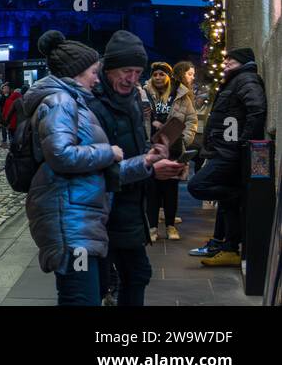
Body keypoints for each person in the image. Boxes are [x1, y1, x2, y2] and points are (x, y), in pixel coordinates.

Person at [24, 31, 163, 306]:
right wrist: (107, 151)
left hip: (85, 219)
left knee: (88, 294)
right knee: (80, 298)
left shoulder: (75, 102)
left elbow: (98, 173)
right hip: (71, 223)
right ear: (76, 73)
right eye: (93, 72)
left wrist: (145, 162)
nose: (96, 79)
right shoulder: (61, 102)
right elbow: (60, 154)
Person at [87, 30, 159, 306]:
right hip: (104, 211)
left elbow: (135, 149)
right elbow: (96, 168)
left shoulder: (131, 100)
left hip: (128, 206)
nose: (132, 78)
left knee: (136, 275)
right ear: (110, 68)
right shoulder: (94, 106)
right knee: (104, 283)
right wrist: (145, 165)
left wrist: (152, 162)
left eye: (138, 71)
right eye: (126, 71)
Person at [186, 48, 267, 266]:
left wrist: (244, 142)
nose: (227, 62)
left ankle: (236, 196)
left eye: (231, 59)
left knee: (197, 186)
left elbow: (257, 110)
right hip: (224, 150)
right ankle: (229, 247)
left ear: (243, 62)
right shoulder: (236, 80)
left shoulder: (246, 80)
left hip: (230, 153)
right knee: (226, 203)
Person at [144, 63, 191, 241]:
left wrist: (184, 139)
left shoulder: (180, 94)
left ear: (168, 76)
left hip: (173, 147)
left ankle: (171, 226)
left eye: (161, 74)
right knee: (152, 189)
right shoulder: (144, 94)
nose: (158, 77)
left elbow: (191, 119)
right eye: (155, 74)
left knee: (171, 188)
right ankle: (153, 227)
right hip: (152, 147)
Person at [0, 83, 23, 149]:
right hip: (19, 122)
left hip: (11, 122)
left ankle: (13, 148)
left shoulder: (8, 100)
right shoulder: (22, 101)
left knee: (11, 135)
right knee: (18, 135)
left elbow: (5, 112)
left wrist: (5, 121)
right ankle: (18, 147)